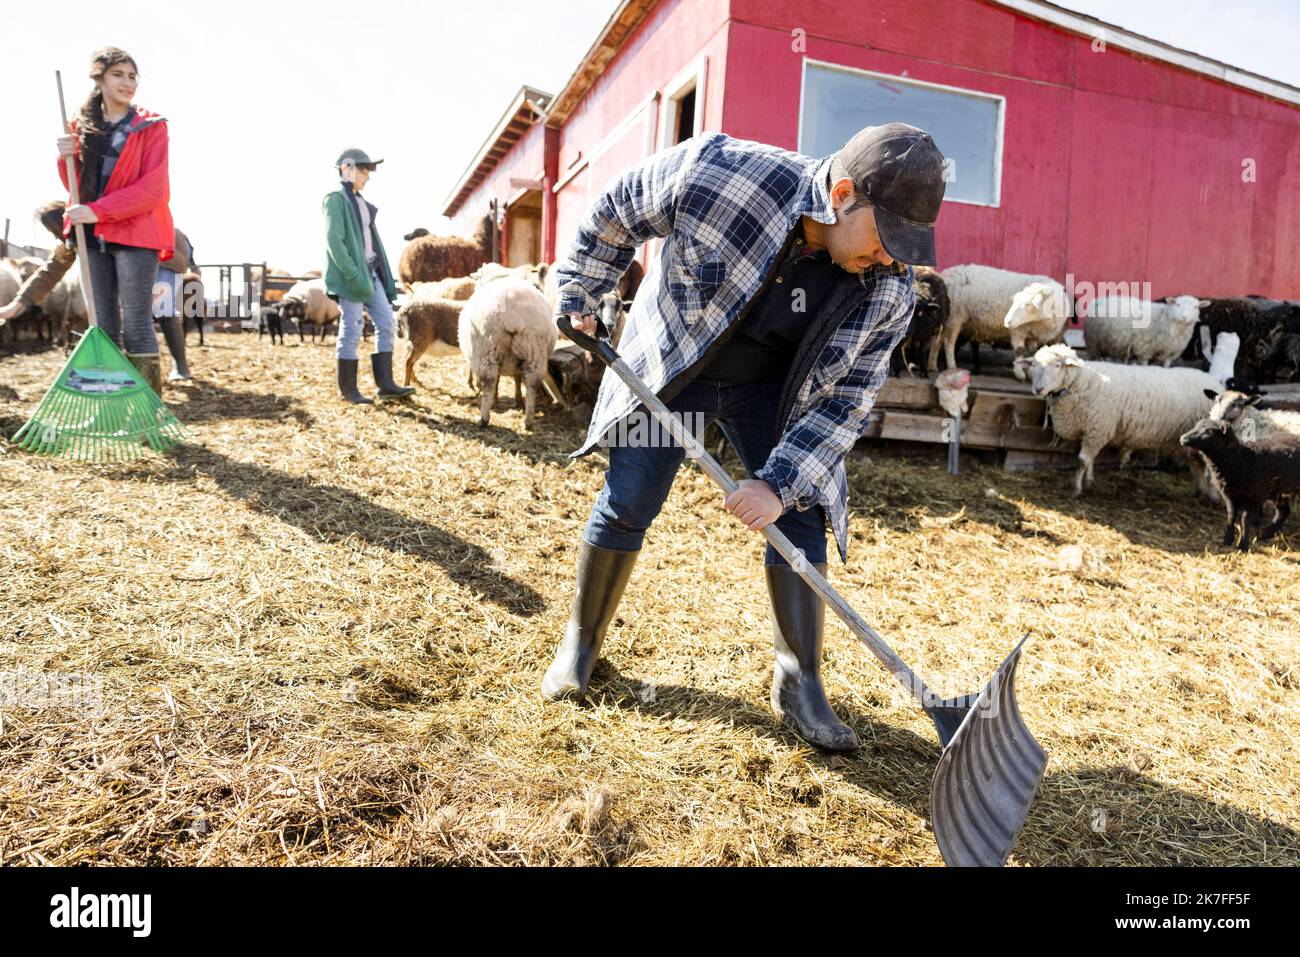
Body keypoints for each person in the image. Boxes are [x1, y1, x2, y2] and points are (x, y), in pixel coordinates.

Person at [542, 124, 947, 752]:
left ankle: (799, 679)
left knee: (803, 516)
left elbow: (847, 400)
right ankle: (582, 641)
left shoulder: (889, 288)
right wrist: (581, 290)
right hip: (678, 367)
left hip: (774, 393)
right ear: (842, 195)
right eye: (885, 239)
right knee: (629, 500)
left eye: (905, 247)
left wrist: (779, 486)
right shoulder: (720, 173)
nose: (891, 258)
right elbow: (618, 209)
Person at [56, 46, 174, 394]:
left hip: (136, 233)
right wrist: (65, 158)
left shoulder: (150, 126)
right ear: (100, 79)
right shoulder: (81, 127)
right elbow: (76, 187)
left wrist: (100, 211)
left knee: (136, 322)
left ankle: (147, 407)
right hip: (91, 235)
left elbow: (154, 189)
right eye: (118, 75)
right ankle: (112, 404)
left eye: (132, 76)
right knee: (103, 325)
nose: (127, 83)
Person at [0, 204, 194, 383]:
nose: (54, 236)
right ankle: (133, 374)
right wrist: (21, 302)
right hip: (124, 255)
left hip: (163, 253)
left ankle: (180, 365)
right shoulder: (75, 237)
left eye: (53, 230)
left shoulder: (92, 222)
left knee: (162, 309)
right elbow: (52, 269)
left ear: (62, 220)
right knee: (122, 317)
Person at [322, 148, 413, 404]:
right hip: (353, 278)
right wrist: (352, 274)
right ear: (346, 168)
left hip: (371, 275)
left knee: (386, 324)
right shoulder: (335, 199)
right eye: (364, 170)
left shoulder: (360, 202)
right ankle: (348, 390)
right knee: (352, 329)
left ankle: (385, 384)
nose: (368, 176)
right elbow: (335, 242)